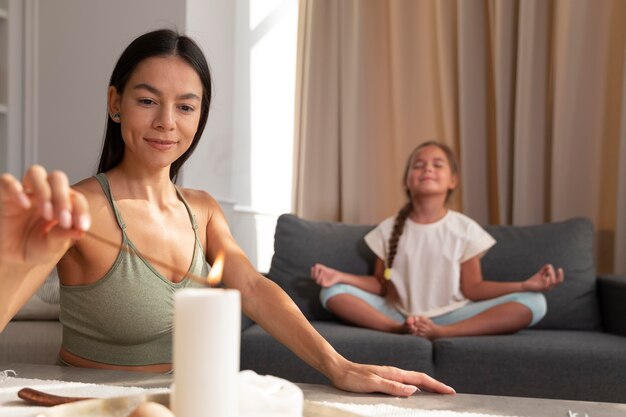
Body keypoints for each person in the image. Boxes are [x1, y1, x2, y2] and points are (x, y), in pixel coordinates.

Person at [0, 29, 455, 397]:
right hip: (90, 405)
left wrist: (339, 367)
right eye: (147, 101)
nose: (166, 122)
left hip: (184, 401)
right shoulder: (82, 209)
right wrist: (12, 256)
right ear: (115, 103)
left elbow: (254, 288)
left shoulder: (201, 209)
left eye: (185, 106)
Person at [311, 141, 564, 339]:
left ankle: (441, 334)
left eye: (437, 164)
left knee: (535, 302)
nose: (428, 168)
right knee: (332, 291)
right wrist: (340, 276)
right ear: (408, 180)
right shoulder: (388, 229)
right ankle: (396, 330)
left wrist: (524, 286)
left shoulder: (464, 229)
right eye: (419, 165)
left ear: (452, 180)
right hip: (398, 314)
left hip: (453, 315)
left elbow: (473, 288)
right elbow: (381, 283)